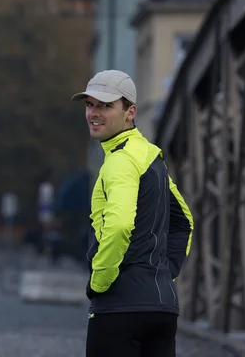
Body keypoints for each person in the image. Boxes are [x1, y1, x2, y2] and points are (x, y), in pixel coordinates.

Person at [71, 70, 194, 357]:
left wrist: (99, 284)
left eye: (105, 105)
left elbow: (119, 226)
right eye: (90, 105)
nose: (93, 113)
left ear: (131, 112)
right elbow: (184, 221)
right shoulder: (151, 156)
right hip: (161, 308)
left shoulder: (120, 161)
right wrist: (164, 274)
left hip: (120, 310)